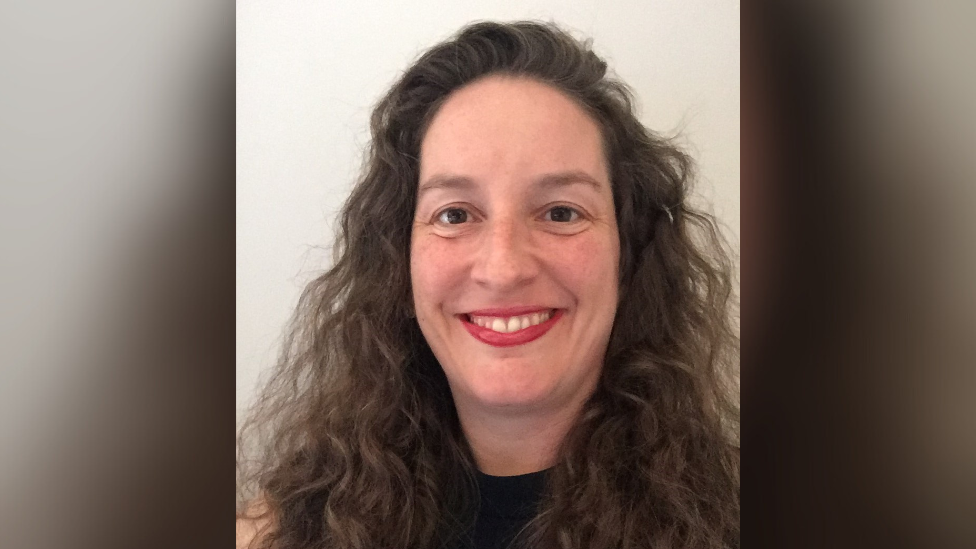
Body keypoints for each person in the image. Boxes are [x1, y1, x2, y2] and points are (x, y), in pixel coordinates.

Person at [237, 20, 739, 549]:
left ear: (630, 255)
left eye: (562, 212)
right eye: (454, 215)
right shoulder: (276, 536)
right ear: (398, 263)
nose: (503, 268)